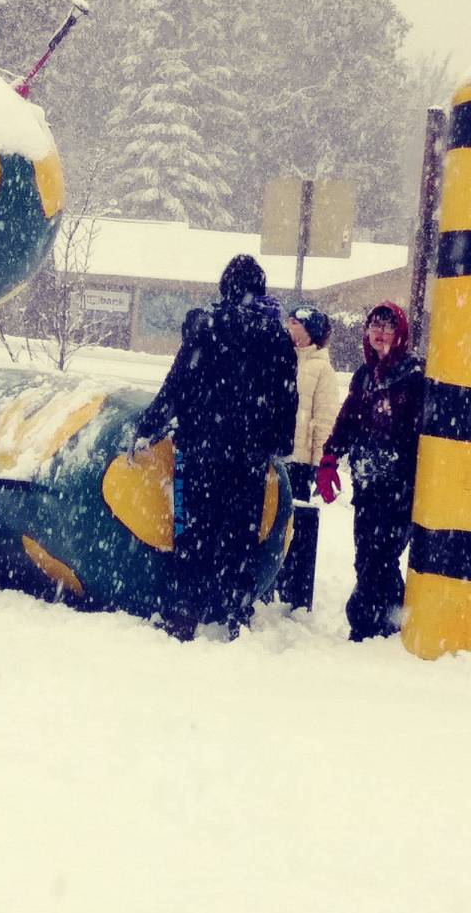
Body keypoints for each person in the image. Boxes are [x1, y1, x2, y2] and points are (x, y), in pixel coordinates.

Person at [132, 254, 298, 641]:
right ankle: (236, 608)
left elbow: (177, 385)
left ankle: (187, 607)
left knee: (196, 528)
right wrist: (278, 443)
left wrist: (148, 426)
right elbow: (287, 397)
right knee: (241, 531)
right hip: (250, 453)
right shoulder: (276, 336)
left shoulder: (205, 326)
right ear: (261, 288)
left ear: (226, 286)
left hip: (203, 447)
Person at [317, 301, 424, 642]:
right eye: (375, 326)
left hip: (400, 485)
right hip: (367, 483)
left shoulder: (413, 376)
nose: (380, 333)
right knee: (367, 554)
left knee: (381, 555)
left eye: (388, 327)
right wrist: (331, 457)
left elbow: (422, 431)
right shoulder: (365, 375)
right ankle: (386, 621)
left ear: (401, 333)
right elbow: (348, 420)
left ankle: (369, 621)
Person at [285, 305, 339, 501]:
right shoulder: (283, 360)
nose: (287, 325)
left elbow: (324, 420)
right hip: (277, 456)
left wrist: (319, 463)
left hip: (300, 461)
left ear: (309, 330)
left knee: (295, 521)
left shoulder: (322, 369)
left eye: (294, 322)